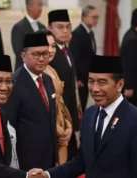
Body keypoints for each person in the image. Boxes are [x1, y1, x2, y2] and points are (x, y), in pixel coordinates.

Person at [31, 55, 137, 178]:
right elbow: (82, 161)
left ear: (120, 85)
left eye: (102, 82)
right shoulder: (90, 114)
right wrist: (47, 175)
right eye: (91, 81)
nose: (95, 89)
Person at [4, 32, 58, 171]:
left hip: (49, 158)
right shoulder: (14, 83)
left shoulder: (47, 80)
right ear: (23, 56)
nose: (41, 59)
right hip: (26, 161)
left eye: (45, 54)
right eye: (36, 54)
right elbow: (10, 127)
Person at [40, 29, 79, 165]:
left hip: (62, 129)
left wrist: (68, 127)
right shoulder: (36, 75)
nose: (51, 50)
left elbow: (61, 103)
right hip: (48, 132)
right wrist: (60, 131)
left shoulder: (52, 70)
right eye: (47, 46)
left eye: (53, 46)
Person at [48, 9, 81, 152]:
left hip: (71, 111)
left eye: (68, 27)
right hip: (58, 116)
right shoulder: (49, 54)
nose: (65, 31)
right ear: (49, 28)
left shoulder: (66, 49)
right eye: (60, 27)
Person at [69, 5, 98, 112]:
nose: (96, 20)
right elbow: (73, 58)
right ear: (84, 17)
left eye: (97, 17)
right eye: (93, 17)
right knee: (78, 108)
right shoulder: (77, 33)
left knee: (84, 104)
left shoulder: (90, 32)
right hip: (80, 80)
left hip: (87, 77)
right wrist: (76, 78)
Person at [11, 0, 45, 70]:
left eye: (41, 5)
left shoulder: (42, 27)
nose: (41, 8)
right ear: (29, 6)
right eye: (39, 5)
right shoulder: (19, 27)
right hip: (24, 70)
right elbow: (18, 51)